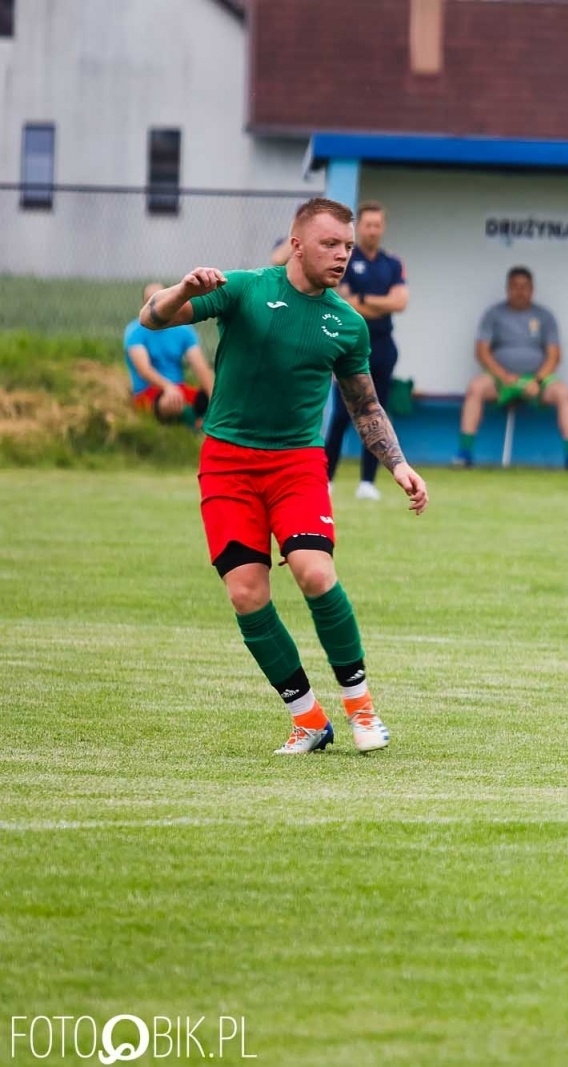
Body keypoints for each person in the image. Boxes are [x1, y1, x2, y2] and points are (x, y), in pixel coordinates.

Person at [137, 196, 429, 756]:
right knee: (246, 593)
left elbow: (365, 407)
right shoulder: (243, 288)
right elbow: (152, 319)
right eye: (330, 244)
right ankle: (307, 719)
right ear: (297, 245)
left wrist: (398, 464)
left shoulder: (347, 325)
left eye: (347, 246)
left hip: (297, 464)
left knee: (314, 573)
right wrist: (184, 291)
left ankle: (362, 709)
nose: (342, 256)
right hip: (227, 463)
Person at [455, 267, 568, 474]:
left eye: (525, 287)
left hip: (537, 380)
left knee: (563, 393)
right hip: (501, 379)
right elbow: (482, 352)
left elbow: (554, 355)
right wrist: (504, 376)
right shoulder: (493, 314)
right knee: (476, 388)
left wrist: (538, 381)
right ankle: (464, 454)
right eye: (515, 287)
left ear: (532, 289)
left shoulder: (544, 316)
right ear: (507, 289)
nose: (520, 291)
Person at [326, 201, 409, 500]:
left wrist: (365, 299)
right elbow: (347, 303)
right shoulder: (346, 258)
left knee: (377, 413)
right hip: (350, 345)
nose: (372, 230)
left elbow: (400, 302)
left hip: (383, 346)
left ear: (382, 228)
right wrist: (377, 301)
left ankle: (368, 482)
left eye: (377, 225)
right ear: (359, 227)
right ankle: (327, 478)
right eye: (368, 224)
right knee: (341, 415)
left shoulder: (392, 263)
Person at [125, 282, 213, 427]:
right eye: (150, 300)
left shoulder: (184, 330)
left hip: (179, 388)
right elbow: (144, 370)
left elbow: (200, 366)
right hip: (149, 392)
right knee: (171, 402)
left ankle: (205, 419)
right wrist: (169, 387)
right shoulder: (135, 331)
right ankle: (191, 422)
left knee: (214, 393)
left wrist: (212, 398)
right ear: (144, 304)